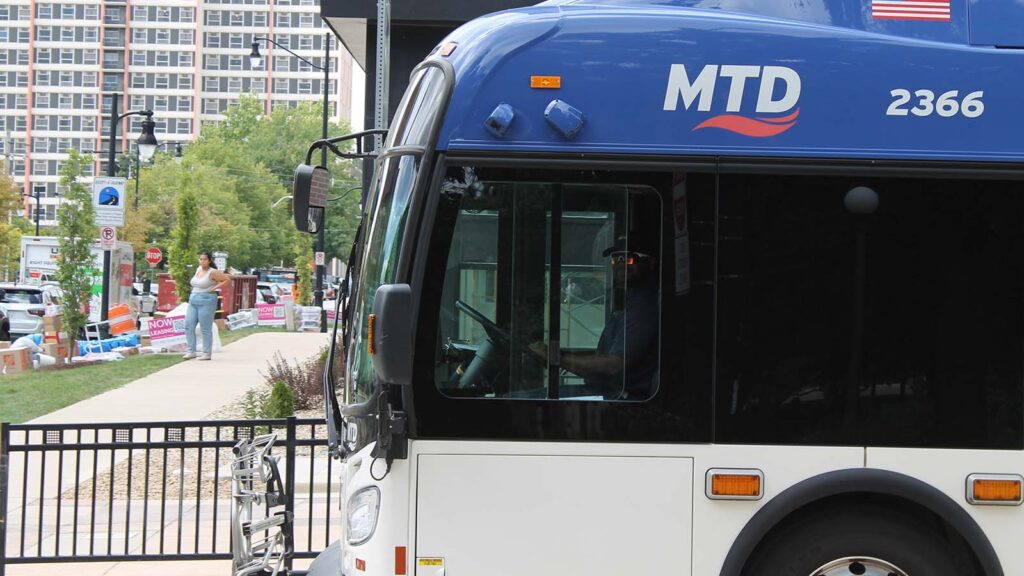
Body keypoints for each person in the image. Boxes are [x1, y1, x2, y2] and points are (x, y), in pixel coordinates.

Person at [553, 236, 660, 400]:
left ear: (651, 262)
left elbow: (613, 365)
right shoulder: (629, 302)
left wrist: (557, 358)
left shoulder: (643, 307)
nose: (620, 265)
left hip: (622, 399)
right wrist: (562, 355)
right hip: (609, 393)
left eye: (628, 259)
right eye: (615, 259)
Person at [183, 251, 231, 360]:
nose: (202, 261)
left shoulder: (213, 272)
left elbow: (226, 280)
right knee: (189, 325)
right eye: (200, 259)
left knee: (205, 327)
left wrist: (214, 288)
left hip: (206, 300)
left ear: (209, 261)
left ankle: (206, 353)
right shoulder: (198, 269)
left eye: (204, 259)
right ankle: (191, 351)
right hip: (193, 299)